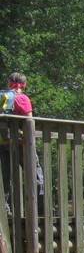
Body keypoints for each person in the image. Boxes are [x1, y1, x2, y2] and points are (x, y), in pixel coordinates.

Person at [0, 73, 40, 212]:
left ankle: (5, 211)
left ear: (9, 83)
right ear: (24, 85)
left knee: (5, 178)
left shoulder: (2, 97)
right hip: (20, 142)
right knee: (36, 174)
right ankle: (40, 209)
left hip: (3, 143)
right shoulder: (22, 98)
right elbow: (29, 121)